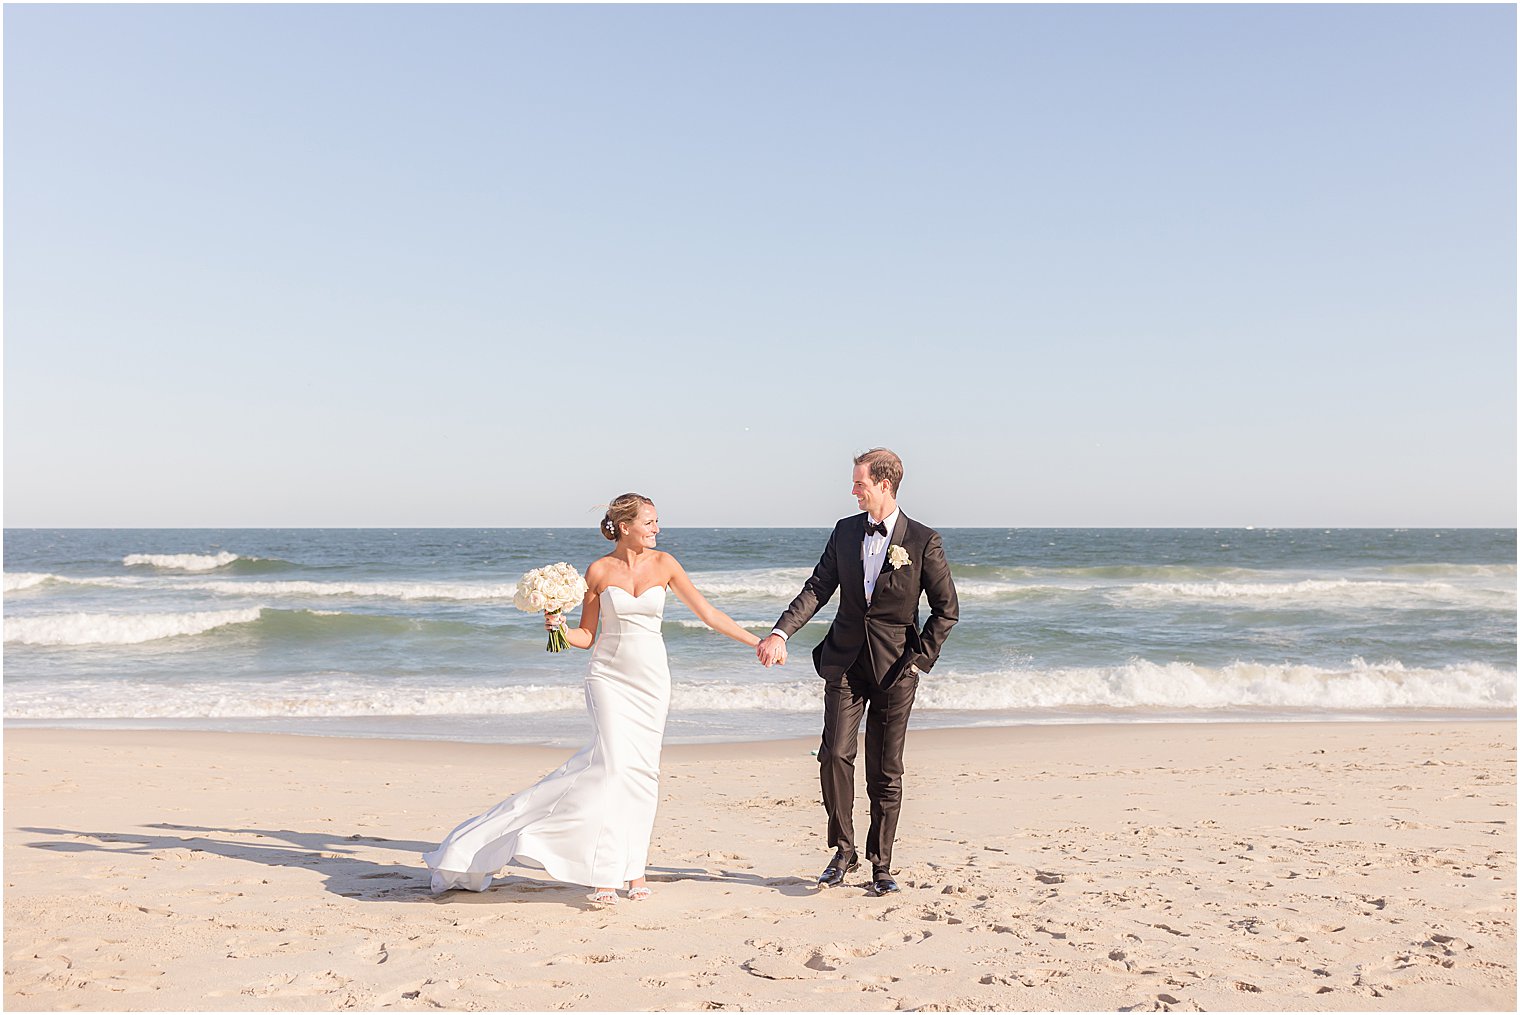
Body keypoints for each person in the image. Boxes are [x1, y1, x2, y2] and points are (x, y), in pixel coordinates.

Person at [423, 493, 761, 904]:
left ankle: (634, 872)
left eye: (656, 522)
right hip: (608, 677)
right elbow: (586, 637)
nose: (657, 529)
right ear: (625, 526)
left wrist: (758, 642)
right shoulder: (598, 571)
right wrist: (555, 627)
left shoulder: (666, 564)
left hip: (653, 680)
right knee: (615, 769)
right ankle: (604, 875)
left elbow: (709, 614)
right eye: (650, 522)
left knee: (643, 775)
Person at [756, 449, 958, 897]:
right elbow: (818, 587)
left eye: (859, 483)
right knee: (833, 755)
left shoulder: (924, 541)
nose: (852, 490)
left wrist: (918, 660)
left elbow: (947, 611)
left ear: (884, 485)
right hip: (845, 661)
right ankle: (842, 849)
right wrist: (780, 633)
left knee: (885, 771)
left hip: (895, 669)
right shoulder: (845, 531)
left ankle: (881, 864)